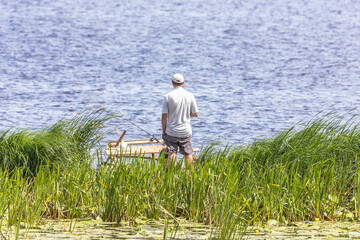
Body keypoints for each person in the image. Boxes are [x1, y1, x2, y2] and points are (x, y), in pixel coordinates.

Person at [161, 73, 198, 169]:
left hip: (171, 131)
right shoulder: (190, 95)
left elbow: (164, 116)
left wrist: (164, 131)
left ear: (172, 83)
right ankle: (190, 175)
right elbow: (196, 114)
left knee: (171, 152)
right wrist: (187, 114)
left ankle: (172, 174)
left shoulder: (167, 96)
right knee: (188, 153)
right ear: (183, 83)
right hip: (185, 131)